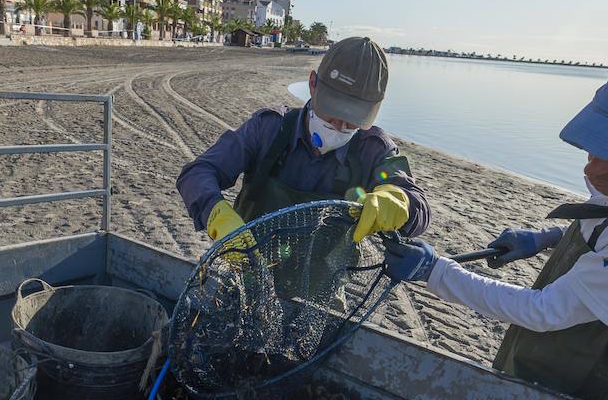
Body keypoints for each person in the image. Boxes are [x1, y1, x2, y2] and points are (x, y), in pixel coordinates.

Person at [382, 48, 608, 400]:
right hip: (554, 338)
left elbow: (546, 312)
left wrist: (436, 272)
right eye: (595, 147)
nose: (593, 171)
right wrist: (549, 239)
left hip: (586, 372)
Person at [176, 36, 430, 246]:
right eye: (332, 112)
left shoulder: (373, 149)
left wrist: (400, 202)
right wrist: (216, 215)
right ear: (312, 84)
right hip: (244, 268)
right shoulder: (270, 127)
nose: (340, 126)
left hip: (321, 292)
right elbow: (198, 172)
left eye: (353, 120)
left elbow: (419, 210)